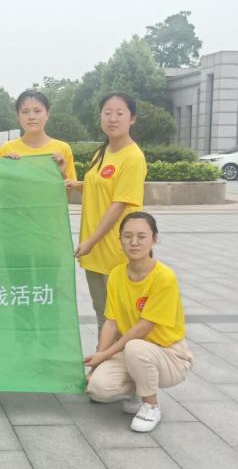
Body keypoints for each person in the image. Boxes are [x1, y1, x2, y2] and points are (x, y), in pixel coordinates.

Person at [84, 212, 192, 433]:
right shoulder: (116, 275)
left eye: (141, 236)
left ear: (154, 239)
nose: (134, 242)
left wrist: (105, 355)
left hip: (169, 355)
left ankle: (150, 406)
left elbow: (143, 328)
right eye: (127, 236)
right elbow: (111, 322)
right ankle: (137, 388)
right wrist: (97, 361)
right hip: (132, 352)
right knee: (98, 389)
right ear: (120, 240)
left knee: (135, 347)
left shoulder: (164, 278)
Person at [72, 93, 147, 337]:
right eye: (107, 113)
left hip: (115, 251)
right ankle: (105, 357)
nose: (112, 119)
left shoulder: (133, 157)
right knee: (101, 312)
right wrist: (76, 184)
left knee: (117, 317)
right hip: (94, 250)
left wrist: (90, 242)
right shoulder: (102, 152)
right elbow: (99, 186)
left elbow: (118, 205)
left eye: (119, 113)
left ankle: (114, 358)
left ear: (132, 118)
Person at [0, 90, 75, 179]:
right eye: (25, 112)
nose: (31, 117)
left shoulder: (63, 149)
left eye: (37, 111)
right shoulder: (6, 150)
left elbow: (71, 187)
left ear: (47, 114)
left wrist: (62, 173)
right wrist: (7, 169)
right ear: (18, 116)